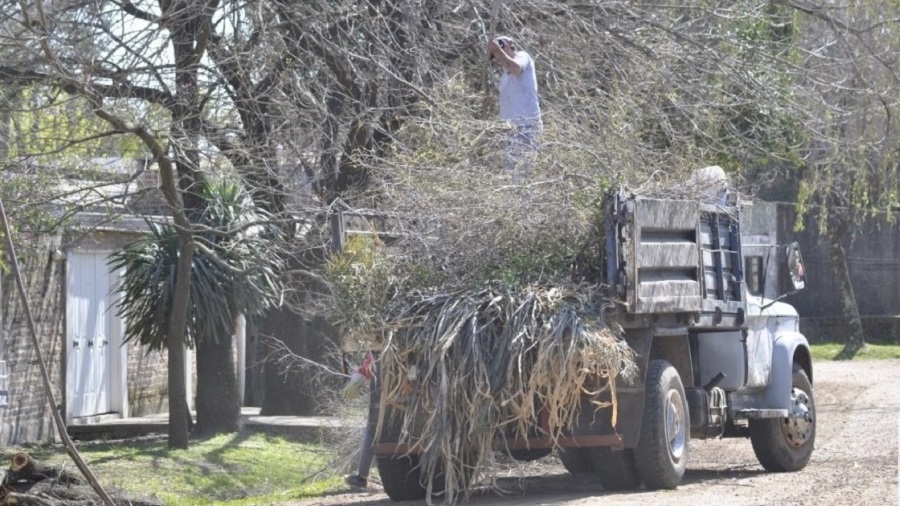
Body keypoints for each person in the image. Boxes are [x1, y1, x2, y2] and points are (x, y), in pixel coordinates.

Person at [486, 35, 542, 171]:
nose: (498, 59)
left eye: (498, 53)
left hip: (526, 126)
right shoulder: (504, 77)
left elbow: (515, 68)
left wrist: (498, 50)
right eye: (495, 57)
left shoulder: (523, 57)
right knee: (510, 173)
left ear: (509, 45)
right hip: (510, 130)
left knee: (521, 174)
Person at [343, 352, 377, 489]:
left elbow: (372, 361)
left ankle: (362, 476)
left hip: (386, 397)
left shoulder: (384, 340)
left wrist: (357, 378)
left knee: (372, 430)